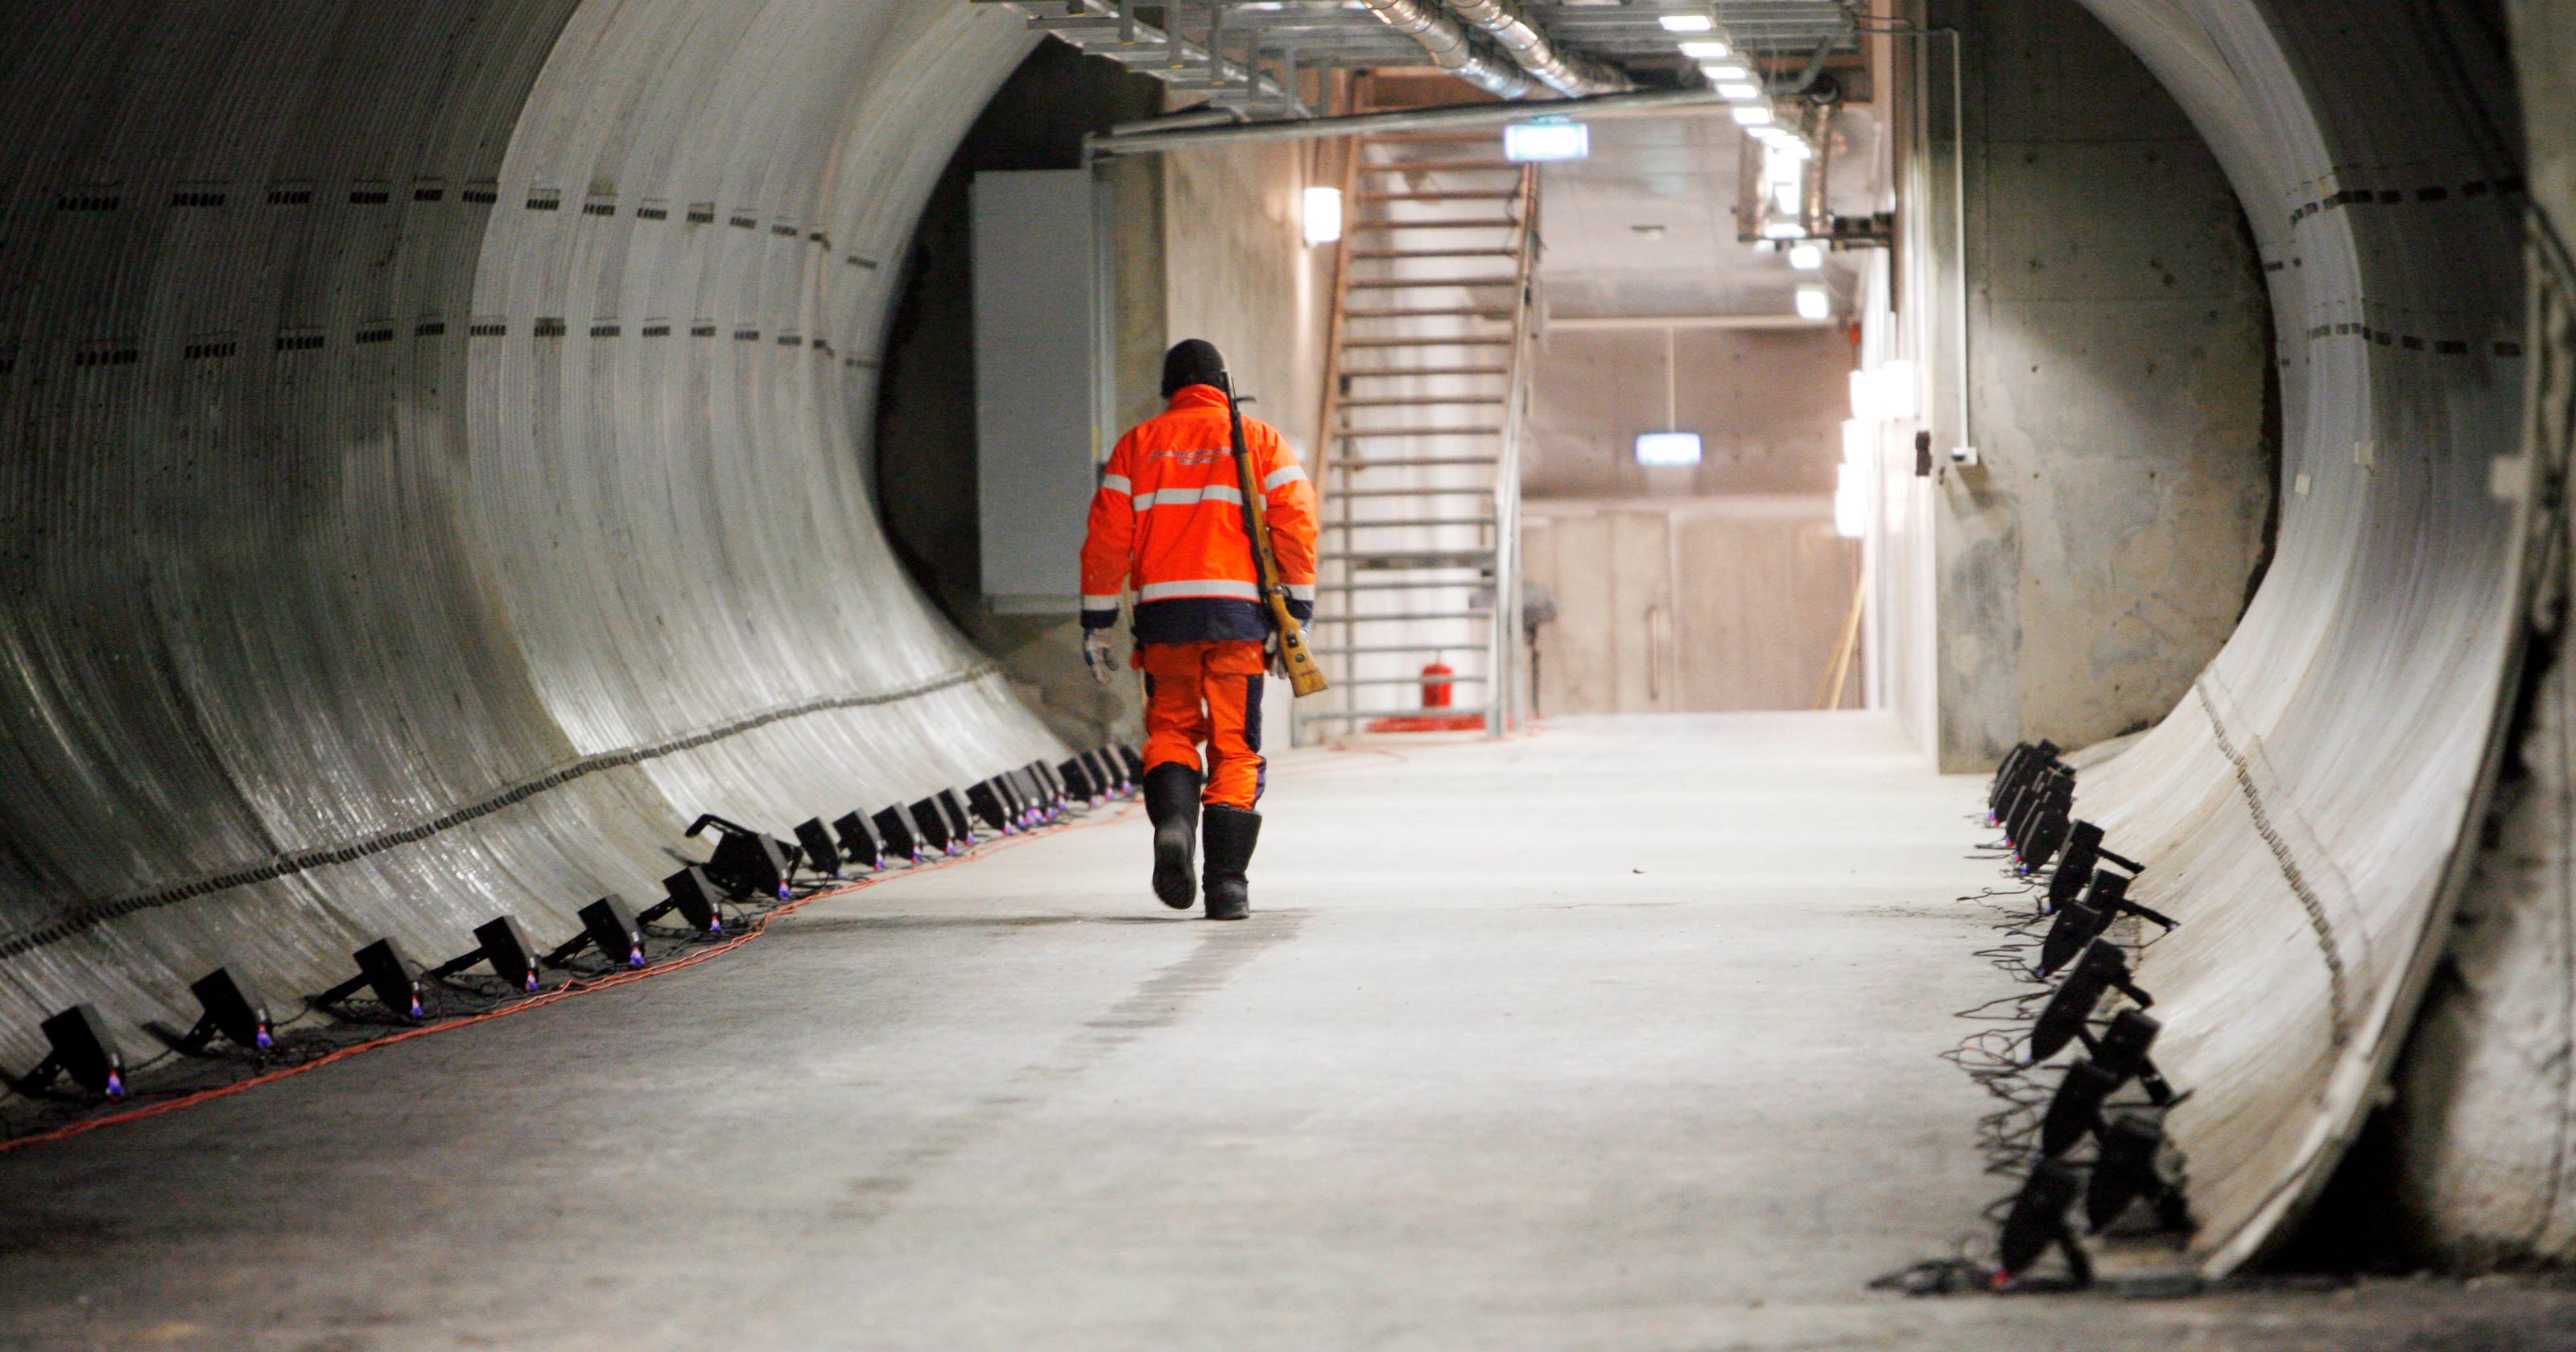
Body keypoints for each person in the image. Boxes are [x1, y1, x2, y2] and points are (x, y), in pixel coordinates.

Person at [1079, 340, 1318, 920]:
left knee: (1172, 731)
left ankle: (1176, 826)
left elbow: (1108, 536)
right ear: (1224, 384)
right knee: (1235, 748)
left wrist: (1098, 619)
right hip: (1238, 619)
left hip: (1164, 620)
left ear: (1171, 388)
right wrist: (1298, 612)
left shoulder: (1138, 445)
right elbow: (1297, 521)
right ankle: (1227, 886)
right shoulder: (1260, 440)